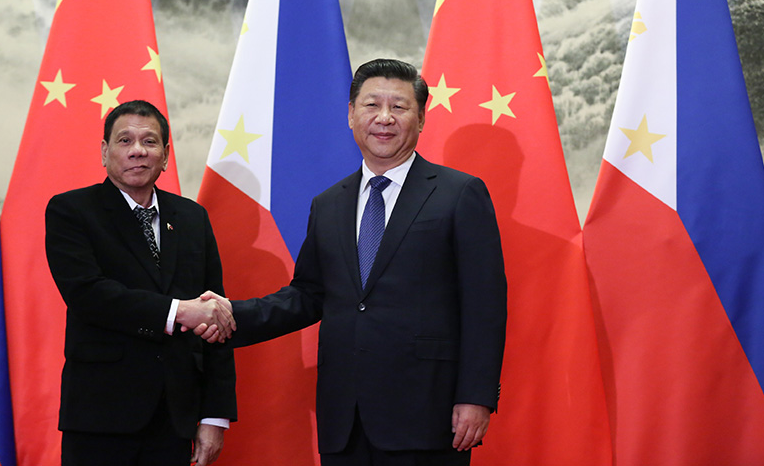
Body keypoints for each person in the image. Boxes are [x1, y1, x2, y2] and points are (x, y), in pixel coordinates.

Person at [200, 59, 507, 465]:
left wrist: (476, 396)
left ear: (421, 118)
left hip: (427, 413)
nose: (384, 118)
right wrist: (230, 314)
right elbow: (308, 295)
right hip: (345, 418)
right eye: (371, 105)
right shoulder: (329, 204)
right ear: (350, 115)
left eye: (398, 107)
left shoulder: (459, 193)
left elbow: (484, 304)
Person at [45, 100, 237, 466]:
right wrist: (179, 311)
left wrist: (215, 416)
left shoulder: (193, 218)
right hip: (101, 419)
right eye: (125, 141)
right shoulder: (72, 211)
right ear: (104, 152)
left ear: (165, 155)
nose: (137, 151)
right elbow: (89, 295)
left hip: (175, 419)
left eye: (149, 142)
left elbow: (216, 317)